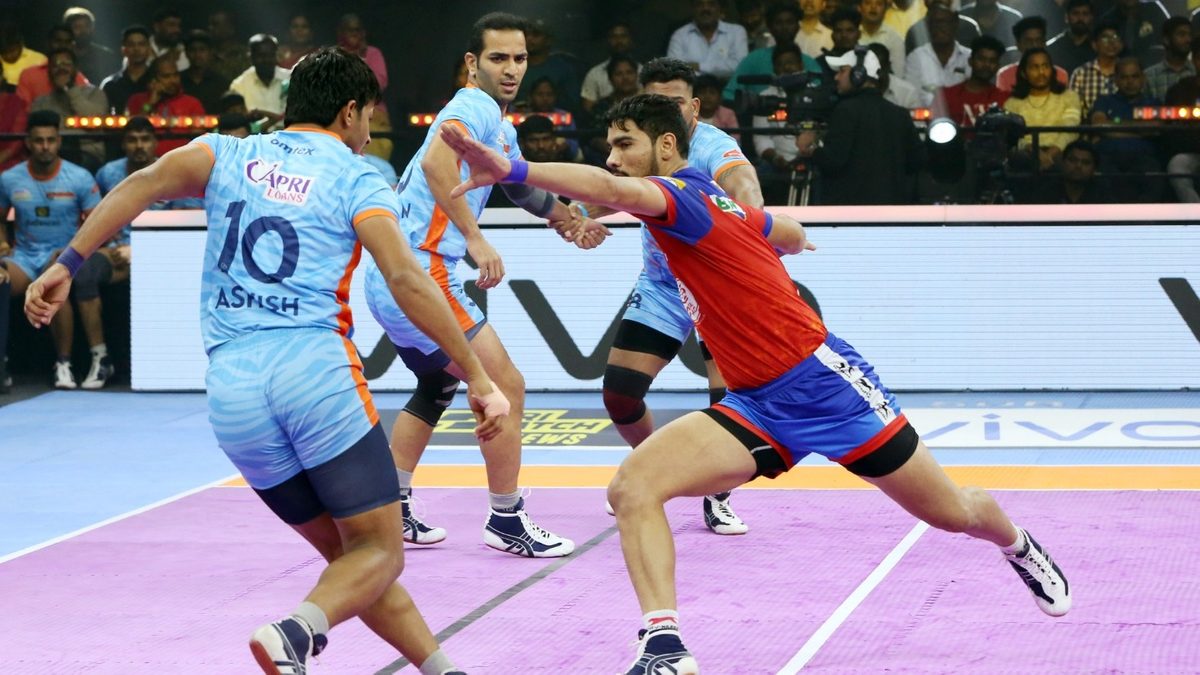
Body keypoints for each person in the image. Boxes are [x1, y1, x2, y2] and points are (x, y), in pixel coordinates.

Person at [440, 91, 1072, 675]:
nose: (613, 157)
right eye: (609, 145)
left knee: (952, 513)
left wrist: (514, 169)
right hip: (755, 405)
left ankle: (1017, 544)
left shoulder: (679, 196)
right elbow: (779, 229)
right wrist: (789, 241)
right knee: (633, 487)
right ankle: (664, 645)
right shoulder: (713, 203)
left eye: (625, 143)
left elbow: (608, 188)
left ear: (666, 146)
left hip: (828, 390)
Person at [24, 46, 508, 675]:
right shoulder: (358, 176)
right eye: (368, 116)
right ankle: (294, 633)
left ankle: (441, 669)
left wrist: (67, 263)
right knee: (381, 553)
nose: (369, 131)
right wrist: (478, 375)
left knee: (352, 561)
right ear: (350, 111)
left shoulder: (225, 153)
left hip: (233, 395)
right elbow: (407, 279)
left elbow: (142, 184)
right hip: (315, 377)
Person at [362, 12, 585, 557]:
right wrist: (475, 238)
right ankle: (506, 519)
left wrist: (566, 217)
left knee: (436, 386)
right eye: (498, 58)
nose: (511, 69)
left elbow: (519, 186)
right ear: (472, 63)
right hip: (421, 271)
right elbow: (437, 166)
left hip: (392, 272)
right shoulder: (474, 106)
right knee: (505, 386)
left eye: (520, 58)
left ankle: (392, 506)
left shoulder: (499, 125)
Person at [578, 57, 763, 534]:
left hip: (716, 288)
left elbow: (744, 185)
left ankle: (717, 494)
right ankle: (650, 470)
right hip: (663, 286)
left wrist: (750, 224)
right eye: (657, 102)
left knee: (727, 402)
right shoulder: (640, 144)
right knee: (620, 395)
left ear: (694, 107)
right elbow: (614, 190)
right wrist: (574, 216)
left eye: (676, 102)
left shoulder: (713, 147)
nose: (668, 112)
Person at [1, 110, 101, 390]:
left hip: (64, 255)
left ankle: (63, 363)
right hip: (24, 257)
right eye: (38, 140)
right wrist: (2, 243)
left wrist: (73, 251)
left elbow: (97, 224)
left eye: (50, 140)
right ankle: (2, 364)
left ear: (59, 141)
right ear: (28, 143)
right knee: (0, 279)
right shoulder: (9, 179)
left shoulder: (79, 177)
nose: (45, 146)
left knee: (55, 280)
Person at [796, 48, 923, 204]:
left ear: (858, 74)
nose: (836, 77)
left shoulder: (845, 110)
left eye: (842, 71)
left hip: (852, 210)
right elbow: (916, 161)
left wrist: (810, 150)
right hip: (892, 209)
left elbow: (834, 161)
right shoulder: (900, 114)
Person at [1003, 47, 1081, 171]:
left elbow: (1070, 129)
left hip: (1061, 151)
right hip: (1027, 153)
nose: (1041, 72)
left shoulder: (1069, 97)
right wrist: (1035, 151)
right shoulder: (1012, 103)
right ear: (1023, 73)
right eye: (1034, 67)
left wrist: (1049, 155)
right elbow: (1014, 137)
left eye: (1045, 66)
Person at [125, 57, 206, 154]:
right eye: (166, 76)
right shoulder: (136, 100)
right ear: (153, 79)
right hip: (145, 160)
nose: (173, 80)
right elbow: (134, 132)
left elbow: (198, 143)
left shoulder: (192, 103)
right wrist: (150, 103)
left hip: (182, 159)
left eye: (175, 75)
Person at [935, 35, 1009, 127]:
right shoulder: (947, 96)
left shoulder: (1005, 99)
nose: (986, 65)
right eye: (981, 59)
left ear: (998, 66)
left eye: (992, 61)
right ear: (970, 61)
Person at [668, 0, 750, 80]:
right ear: (693, 8)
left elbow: (741, 66)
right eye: (699, 4)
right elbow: (674, 70)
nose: (705, 8)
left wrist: (699, 66)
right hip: (691, 88)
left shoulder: (736, 32)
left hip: (728, 88)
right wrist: (722, 70)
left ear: (719, 8)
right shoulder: (680, 35)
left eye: (711, 4)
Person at [581, 21, 639, 113]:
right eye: (614, 37)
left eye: (623, 36)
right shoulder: (594, 74)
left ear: (631, 40)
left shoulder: (644, 71)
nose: (619, 41)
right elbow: (588, 112)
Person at [100, 25, 153, 115]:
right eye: (131, 45)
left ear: (149, 49)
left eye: (141, 44)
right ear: (123, 50)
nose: (136, 49)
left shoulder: (156, 81)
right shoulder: (111, 84)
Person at [181, 30, 232, 113]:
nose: (197, 55)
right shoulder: (177, 81)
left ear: (210, 53)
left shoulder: (222, 83)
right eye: (192, 50)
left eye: (202, 50)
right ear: (186, 53)